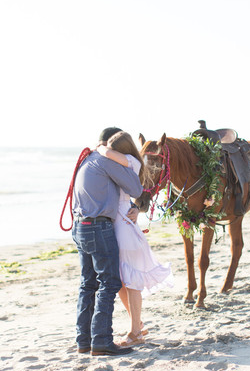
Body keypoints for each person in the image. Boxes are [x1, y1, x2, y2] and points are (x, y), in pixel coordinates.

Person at [97, 131, 174, 347]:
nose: (110, 153)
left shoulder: (131, 161)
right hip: (120, 220)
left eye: (114, 150)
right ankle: (137, 324)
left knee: (130, 281)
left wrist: (101, 148)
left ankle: (135, 333)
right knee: (121, 280)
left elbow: (108, 154)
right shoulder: (124, 163)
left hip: (123, 225)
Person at [71, 127, 143, 356]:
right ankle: (101, 341)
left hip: (80, 225)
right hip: (98, 227)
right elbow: (136, 188)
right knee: (109, 283)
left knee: (88, 285)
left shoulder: (86, 160)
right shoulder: (104, 160)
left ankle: (84, 341)